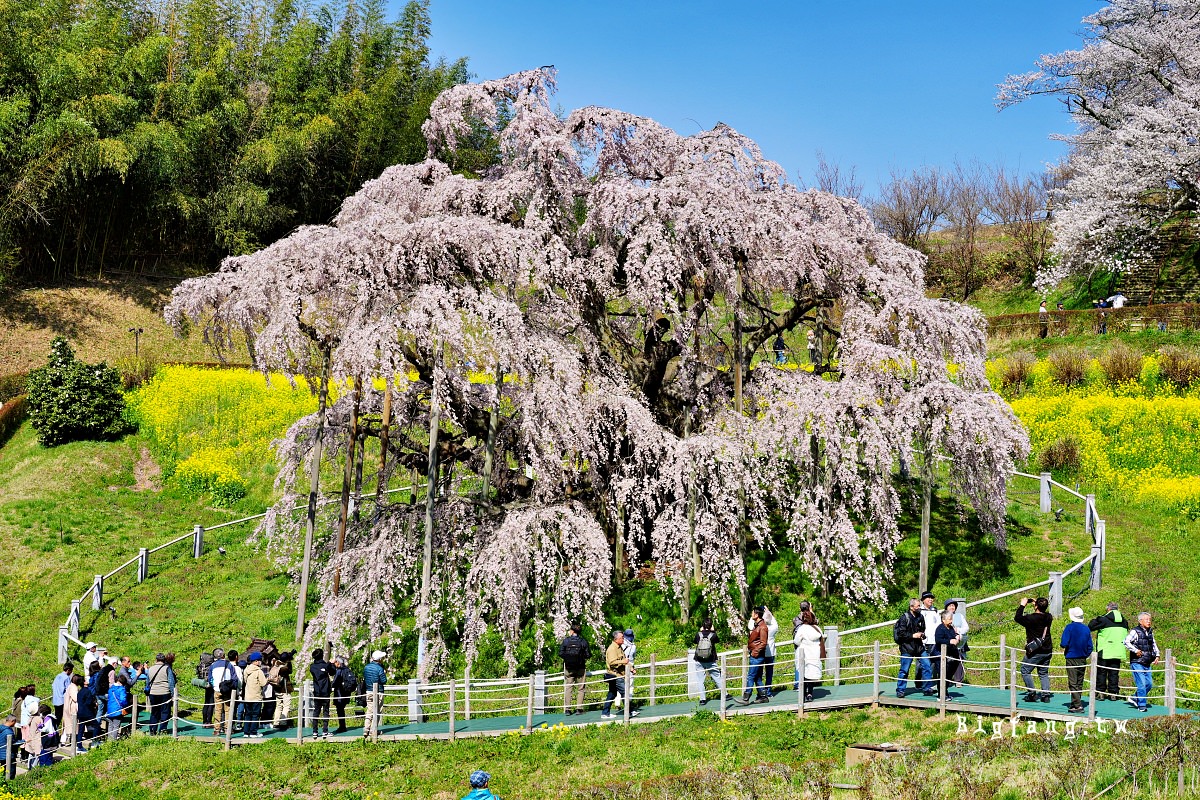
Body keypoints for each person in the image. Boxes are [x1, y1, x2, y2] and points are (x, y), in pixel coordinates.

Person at [1015, 597, 1054, 703]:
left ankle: (1032, 694)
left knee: (1025, 670)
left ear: (1036, 606)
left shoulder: (1031, 618)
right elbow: (1043, 611)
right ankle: (1046, 695)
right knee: (1043, 672)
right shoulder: (1049, 617)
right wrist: (1037, 603)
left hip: (1035, 651)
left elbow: (1017, 618)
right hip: (1047, 649)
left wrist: (1022, 605)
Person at [1089, 601, 1129, 701]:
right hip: (1118, 650)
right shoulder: (1124, 621)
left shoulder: (1103, 619)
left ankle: (1101, 693)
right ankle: (1113, 693)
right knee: (1114, 673)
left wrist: (1098, 617)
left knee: (1101, 672)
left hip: (1104, 650)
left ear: (1108, 609)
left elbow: (1091, 626)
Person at [893, 598, 929, 698]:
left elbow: (923, 629)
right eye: (917, 606)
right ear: (911, 607)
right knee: (904, 670)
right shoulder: (904, 618)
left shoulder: (920, 616)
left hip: (919, 647)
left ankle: (926, 688)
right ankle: (900, 690)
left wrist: (922, 635)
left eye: (919, 605)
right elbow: (901, 633)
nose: (919, 608)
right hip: (907, 648)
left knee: (927, 665)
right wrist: (913, 635)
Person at [1124, 612, 1160, 712]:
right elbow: (1126, 641)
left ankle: (1135, 698)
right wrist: (1135, 651)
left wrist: (1157, 655)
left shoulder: (1150, 632)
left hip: (1147, 662)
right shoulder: (1135, 631)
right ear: (1140, 621)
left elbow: (1154, 644)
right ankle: (1142, 706)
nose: (1149, 621)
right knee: (1142, 684)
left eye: (1150, 619)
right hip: (1137, 661)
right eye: (1146, 619)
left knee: (1149, 684)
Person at [1061, 607, 1093, 713]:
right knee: (1079, 682)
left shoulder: (1069, 627)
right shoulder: (1086, 629)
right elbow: (1090, 647)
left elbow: (1063, 643)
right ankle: (1074, 703)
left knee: (1073, 682)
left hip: (1071, 657)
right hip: (1082, 658)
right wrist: (1085, 654)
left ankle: (1078, 705)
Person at [600, 630, 638, 719]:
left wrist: (631, 668)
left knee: (612, 693)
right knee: (625, 692)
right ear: (616, 639)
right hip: (616, 675)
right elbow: (612, 662)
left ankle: (605, 712)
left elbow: (625, 660)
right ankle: (630, 711)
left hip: (620, 674)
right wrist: (623, 661)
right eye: (622, 638)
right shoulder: (612, 649)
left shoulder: (619, 647)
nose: (623, 639)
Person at [739, 606, 769, 705]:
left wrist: (755, 652)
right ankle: (763, 696)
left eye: (752, 613)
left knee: (751, 676)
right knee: (757, 677)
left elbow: (763, 642)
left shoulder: (762, 627)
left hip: (757, 656)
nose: (751, 615)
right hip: (755, 654)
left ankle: (746, 698)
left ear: (756, 615)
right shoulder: (758, 625)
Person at [559, 623, 590, 715]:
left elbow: (560, 653)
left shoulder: (566, 641)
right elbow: (588, 655)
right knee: (581, 688)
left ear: (572, 631)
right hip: (580, 667)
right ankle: (579, 708)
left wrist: (568, 658)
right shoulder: (583, 641)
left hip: (569, 668)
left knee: (569, 687)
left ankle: (567, 709)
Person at [793, 609, 823, 702]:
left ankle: (803, 694)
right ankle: (810, 693)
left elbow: (796, 641)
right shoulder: (817, 628)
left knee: (804, 674)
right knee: (811, 675)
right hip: (814, 654)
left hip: (804, 654)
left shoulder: (802, 628)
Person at [693, 617, 724, 705]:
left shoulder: (698, 634)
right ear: (711, 626)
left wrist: (700, 631)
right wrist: (713, 631)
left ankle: (702, 699)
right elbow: (717, 640)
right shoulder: (713, 635)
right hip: (710, 660)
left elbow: (695, 642)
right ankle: (725, 694)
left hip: (699, 660)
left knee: (700, 680)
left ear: (703, 625)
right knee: (717, 677)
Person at [144, 653, 176, 735]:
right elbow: (171, 682)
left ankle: (152, 730)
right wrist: (173, 694)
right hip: (165, 692)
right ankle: (163, 729)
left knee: (154, 712)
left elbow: (147, 682)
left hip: (153, 693)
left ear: (156, 660)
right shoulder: (167, 668)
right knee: (165, 712)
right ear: (164, 660)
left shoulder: (150, 669)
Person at [209, 648, 239, 732]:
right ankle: (227, 729)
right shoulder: (229, 665)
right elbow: (234, 678)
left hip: (217, 690)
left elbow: (210, 679)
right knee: (228, 710)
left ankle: (217, 729)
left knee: (218, 710)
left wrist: (215, 686)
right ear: (223, 655)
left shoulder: (212, 665)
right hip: (227, 690)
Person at [934, 610, 963, 693]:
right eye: (949, 619)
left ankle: (945, 691)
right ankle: (941, 693)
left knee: (949, 674)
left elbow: (954, 634)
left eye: (952, 619)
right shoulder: (940, 628)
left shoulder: (951, 628)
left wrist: (957, 637)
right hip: (942, 654)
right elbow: (938, 640)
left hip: (952, 654)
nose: (951, 621)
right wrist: (949, 641)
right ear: (943, 620)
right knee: (943, 674)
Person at [241, 652, 268, 738]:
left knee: (247, 714)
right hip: (256, 697)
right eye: (260, 660)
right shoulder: (258, 671)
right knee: (255, 715)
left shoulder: (246, 670)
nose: (261, 662)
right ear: (256, 661)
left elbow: (245, 681)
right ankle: (253, 732)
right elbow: (263, 683)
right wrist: (268, 679)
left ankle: (246, 732)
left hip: (248, 696)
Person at [918, 592, 940, 695]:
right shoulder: (919, 611)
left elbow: (939, 624)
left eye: (931, 598)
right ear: (923, 600)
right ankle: (919, 682)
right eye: (928, 598)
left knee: (931, 664)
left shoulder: (935, 610)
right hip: (923, 642)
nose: (930, 600)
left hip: (934, 641)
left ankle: (927, 685)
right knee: (922, 664)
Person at [309, 648, 333, 738]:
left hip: (317, 692)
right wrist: (330, 664)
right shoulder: (326, 665)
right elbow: (332, 672)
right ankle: (325, 731)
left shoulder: (312, 667)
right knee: (326, 711)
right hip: (325, 691)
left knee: (316, 711)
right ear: (322, 655)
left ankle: (315, 731)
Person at [362, 651, 386, 738]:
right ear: (379, 659)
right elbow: (383, 681)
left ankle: (366, 729)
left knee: (369, 710)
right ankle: (373, 730)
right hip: (378, 691)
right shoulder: (380, 669)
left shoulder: (366, 667)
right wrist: (384, 673)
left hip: (368, 691)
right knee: (377, 711)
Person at [331, 656, 356, 734]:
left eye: (335, 662)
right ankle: (342, 726)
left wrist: (331, 685)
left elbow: (334, 683)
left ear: (338, 663)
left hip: (339, 693)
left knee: (340, 710)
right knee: (342, 709)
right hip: (346, 692)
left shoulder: (339, 671)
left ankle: (342, 726)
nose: (334, 664)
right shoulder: (347, 669)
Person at [75, 675, 98, 752]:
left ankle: (79, 745)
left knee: (81, 729)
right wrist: (94, 704)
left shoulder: (79, 692)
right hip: (88, 712)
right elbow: (89, 703)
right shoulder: (88, 691)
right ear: (84, 682)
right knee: (96, 725)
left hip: (80, 712)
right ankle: (94, 742)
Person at [106, 673, 132, 741]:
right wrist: (126, 706)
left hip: (110, 710)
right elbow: (123, 700)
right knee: (116, 726)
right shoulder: (121, 689)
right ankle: (113, 741)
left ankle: (109, 740)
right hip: (117, 710)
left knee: (110, 725)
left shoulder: (111, 689)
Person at [760, 607, 780, 696]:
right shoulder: (774, 628)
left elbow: (750, 625)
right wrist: (768, 611)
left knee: (759, 672)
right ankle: (768, 691)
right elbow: (774, 621)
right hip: (771, 653)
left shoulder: (761, 628)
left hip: (761, 652)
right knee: (769, 673)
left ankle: (760, 691)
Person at [62, 673, 81, 748]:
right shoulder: (73, 688)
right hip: (71, 708)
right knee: (72, 725)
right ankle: (70, 741)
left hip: (67, 707)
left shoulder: (70, 686)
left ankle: (68, 740)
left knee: (68, 725)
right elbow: (75, 698)